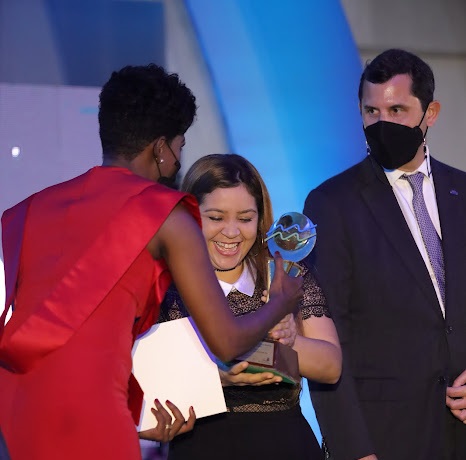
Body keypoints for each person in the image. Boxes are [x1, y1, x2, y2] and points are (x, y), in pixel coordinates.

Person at [0, 65, 303, 460]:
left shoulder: (25, 211)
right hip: (92, 414)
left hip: (17, 412)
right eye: (179, 147)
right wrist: (280, 301)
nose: (178, 162)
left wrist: (136, 415)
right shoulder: (165, 214)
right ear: (160, 149)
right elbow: (227, 341)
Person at [304, 48, 466, 460]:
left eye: (397, 110)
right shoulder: (332, 204)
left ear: (430, 113)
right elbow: (326, 336)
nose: (382, 123)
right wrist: (352, 449)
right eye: (371, 111)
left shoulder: (463, 192)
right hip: (386, 439)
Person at [158, 153, 342, 460]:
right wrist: (218, 376)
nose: (231, 232)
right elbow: (151, 386)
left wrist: (287, 342)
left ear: (260, 220)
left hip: (287, 444)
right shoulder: (166, 287)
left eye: (245, 219)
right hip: (202, 447)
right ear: (190, 215)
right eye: (216, 218)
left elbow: (331, 366)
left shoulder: (284, 275)